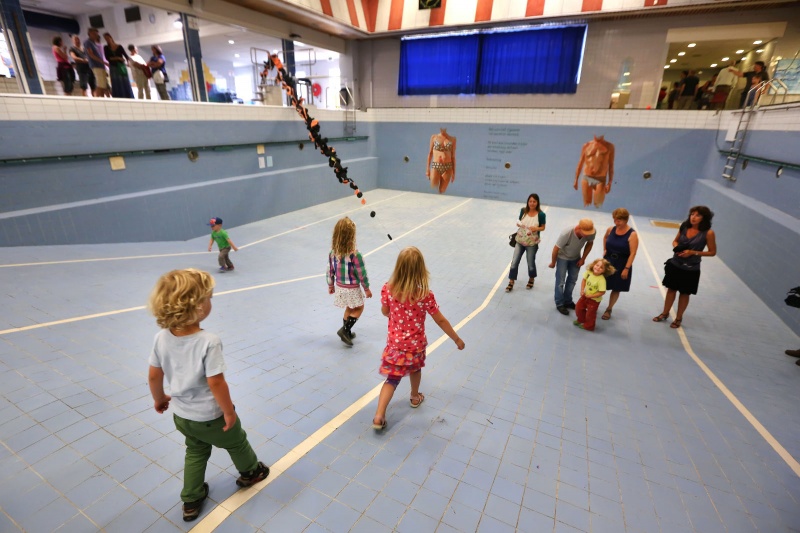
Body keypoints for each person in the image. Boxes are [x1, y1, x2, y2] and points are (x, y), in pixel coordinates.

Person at [147, 269, 270, 522]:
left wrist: (159, 399)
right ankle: (250, 472)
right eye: (209, 297)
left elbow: (154, 375)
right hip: (210, 415)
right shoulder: (208, 341)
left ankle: (191, 499)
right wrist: (228, 411)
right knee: (237, 442)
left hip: (183, 417)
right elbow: (216, 382)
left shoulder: (161, 338)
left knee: (195, 451)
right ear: (197, 307)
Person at [372, 247, 465, 430]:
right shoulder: (425, 295)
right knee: (415, 370)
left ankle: (379, 415)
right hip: (415, 347)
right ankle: (415, 397)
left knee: (392, 379)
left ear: (398, 268)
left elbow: (385, 312)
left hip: (395, 345)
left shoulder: (387, 289)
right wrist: (456, 339)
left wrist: (393, 312)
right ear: (421, 270)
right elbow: (440, 319)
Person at [653, 206, 717, 329]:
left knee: (684, 293)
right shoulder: (684, 226)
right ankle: (665, 313)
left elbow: (712, 252)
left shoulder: (708, 233)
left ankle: (678, 318)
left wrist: (693, 253)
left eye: (698, 215)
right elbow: (675, 241)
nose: (693, 217)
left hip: (691, 269)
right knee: (671, 290)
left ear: (704, 218)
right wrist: (677, 247)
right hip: (676, 264)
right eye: (692, 214)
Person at [326, 217, 372, 346]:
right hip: (352, 287)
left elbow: (329, 270)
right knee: (359, 307)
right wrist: (366, 289)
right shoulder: (355, 255)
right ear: (352, 236)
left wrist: (330, 285)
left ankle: (347, 331)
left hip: (340, 287)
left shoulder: (332, 253)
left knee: (349, 307)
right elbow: (362, 274)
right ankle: (345, 331)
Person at [549, 219, 596, 315]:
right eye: (585, 233)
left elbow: (590, 243)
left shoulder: (591, 232)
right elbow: (556, 248)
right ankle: (559, 304)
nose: (587, 235)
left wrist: (583, 258)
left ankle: (568, 301)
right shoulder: (566, 233)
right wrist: (553, 262)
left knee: (572, 280)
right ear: (578, 228)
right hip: (562, 257)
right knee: (560, 282)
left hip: (575, 257)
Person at [601, 208, 639, 320]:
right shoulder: (610, 229)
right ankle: (593, 303)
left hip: (621, 263)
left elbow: (633, 253)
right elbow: (605, 238)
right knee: (600, 283)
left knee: (616, 287)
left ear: (626, 220)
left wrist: (626, 268)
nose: (616, 222)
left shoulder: (632, 234)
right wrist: (605, 249)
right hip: (608, 261)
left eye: (619, 220)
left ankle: (609, 309)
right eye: (615, 220)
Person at [506, 193, 546, 292]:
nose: (532, 203)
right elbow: (520, 221)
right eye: (530, 201)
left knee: (530, 262)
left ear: (537, 203)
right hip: (520, 240)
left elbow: (543, 227)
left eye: (534, 201)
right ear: (528, 202)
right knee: (514, 261)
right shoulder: (523, 211)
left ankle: (531, 278)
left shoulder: (541, 214)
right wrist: (518, 223)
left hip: (532, 243)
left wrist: (536, 228)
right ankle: (511, 281)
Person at [574, 258, 616, 331]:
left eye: (601, 267)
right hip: (585, 295)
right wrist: (582, 290)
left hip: (594, 300)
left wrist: (591, 296)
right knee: (579, 307)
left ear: (604, 271)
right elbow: (584, 280)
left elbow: (602, 292)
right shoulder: (589, 272)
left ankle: (589, 326)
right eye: (597, 265)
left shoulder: (601, 280)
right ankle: (581, 319)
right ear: (593, 265)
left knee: (590, 314)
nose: (598, 268)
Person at [574, 135, 614, 209]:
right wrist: (576, 179)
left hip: (600, 179)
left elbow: (611, 166)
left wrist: (610, 182)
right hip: (586, 177)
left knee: (598, 204)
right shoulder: (586, 145)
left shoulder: (610, 146)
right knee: (586, 203)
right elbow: (580, 163)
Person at [103, 32, 134, 99]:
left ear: (111, 38)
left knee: (124, 81)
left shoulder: (119, 46)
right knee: (116, 82)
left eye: (108, 38)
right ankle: (119, 97)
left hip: (121, 66)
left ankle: (128, 96)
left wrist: (128, 63)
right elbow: (107, 58)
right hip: (113, 67)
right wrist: (117, 58)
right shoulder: (106, 48)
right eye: (106, 39)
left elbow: (126, 56)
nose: (107, 40)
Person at [426, 128, 457, 194]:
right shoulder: (434, 137)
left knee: (442, 191)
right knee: (433, 189)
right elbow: (430, 153)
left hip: (448, 167)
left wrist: (454, 173)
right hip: (436, 165)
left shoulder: (452, 139)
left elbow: (453, 156)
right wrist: (427, 170)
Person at [84, 28, 109, 97]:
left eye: (96, 34)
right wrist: (103, 62)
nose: (96, 36)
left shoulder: (94, 43)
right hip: (96, 65)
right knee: (100, 84)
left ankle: (101, 97)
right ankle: (97, 98)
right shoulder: (88, 42)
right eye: (94, 34)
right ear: (90, 34)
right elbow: (91, 55)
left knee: (103, 84)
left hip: (100, 65)